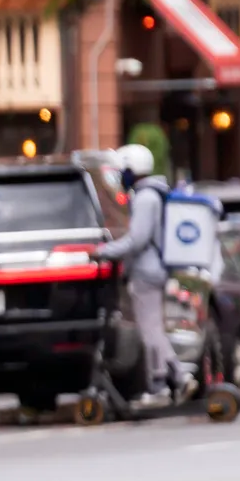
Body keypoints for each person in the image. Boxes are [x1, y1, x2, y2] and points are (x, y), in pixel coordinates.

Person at [95, 142, 185, 407]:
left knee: (150, 332)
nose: (122, 176)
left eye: (124, 170)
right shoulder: (150, 195)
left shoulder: (146, 198)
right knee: (153, 330)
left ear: (134, 170)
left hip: (147, 272)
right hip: (152, 269)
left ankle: (162, 384)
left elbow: (137, 240)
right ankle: (177, 377)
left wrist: (104, 251)